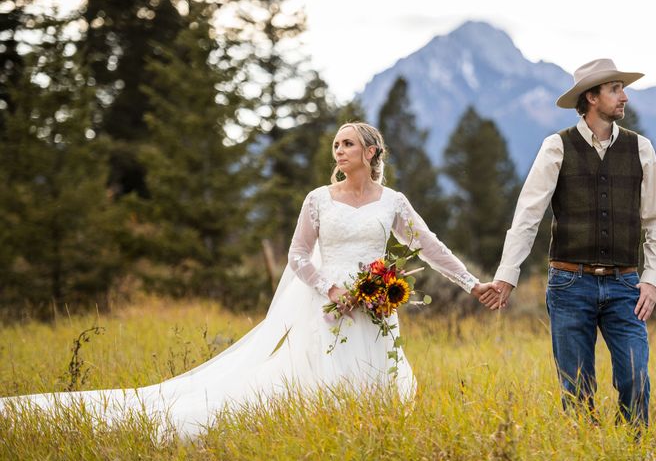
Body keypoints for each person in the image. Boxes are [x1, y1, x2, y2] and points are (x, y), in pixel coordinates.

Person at [1, 122, 491, 438]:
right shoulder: (319, 198)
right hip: (330, 302)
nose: (339, 151)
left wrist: (471, 283)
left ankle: (371, 436)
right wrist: (331, 288)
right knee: (321, 379)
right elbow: (298, 256)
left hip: (380, 305)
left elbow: (429, 246)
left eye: (347, 143)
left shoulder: (394, 201)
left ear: (371, 150)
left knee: (377, 376)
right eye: (335, 144)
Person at [479, 58, 656, 425]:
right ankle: (587, 456)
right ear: (591, 97)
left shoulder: (640, 149)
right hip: (569, 284)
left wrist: (652, 279)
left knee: (636, 377)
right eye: (615, 89)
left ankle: (631, 456)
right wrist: (507, 274)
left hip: (624, 285)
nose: (625, 97)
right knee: (577, 389)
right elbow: (527, 216)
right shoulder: (557, 147)